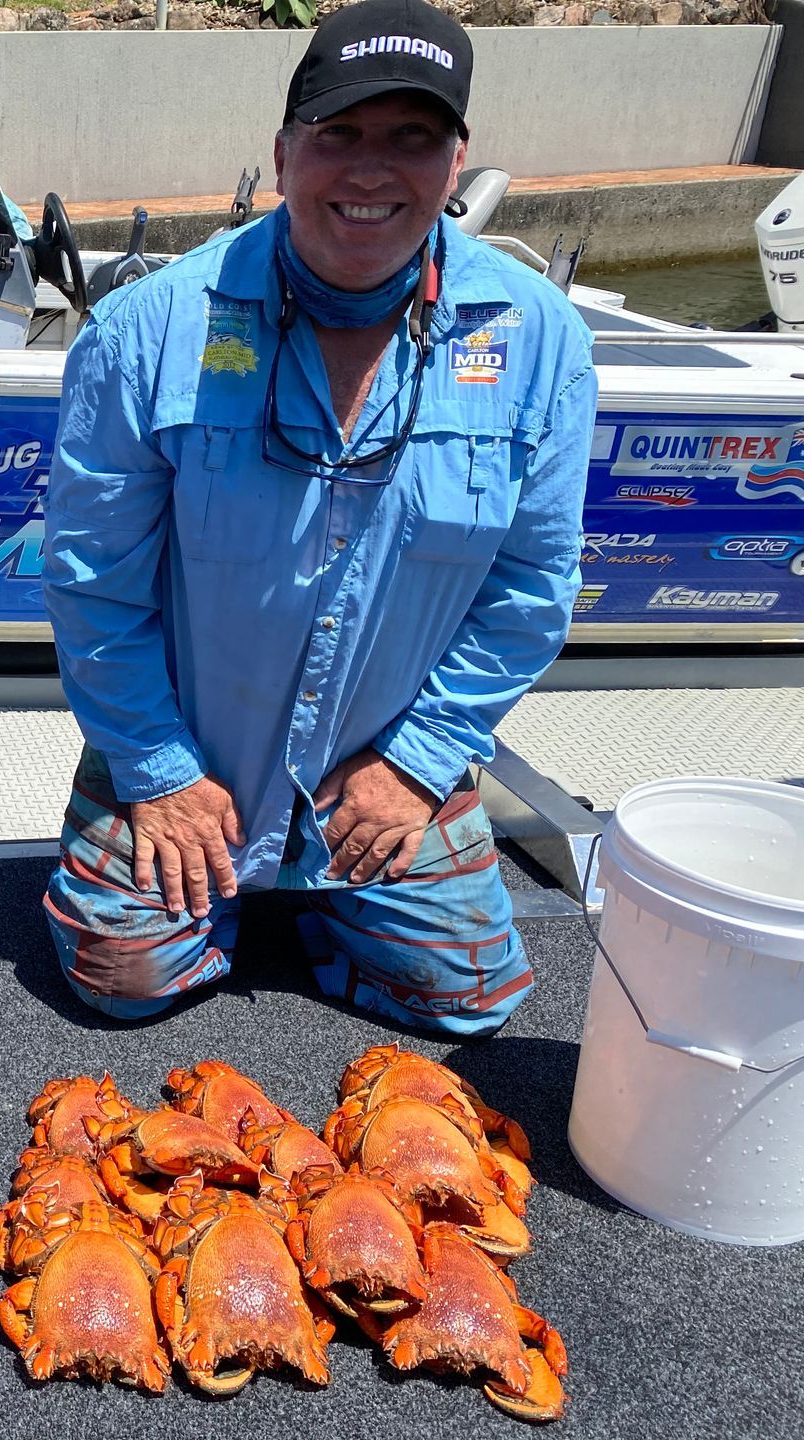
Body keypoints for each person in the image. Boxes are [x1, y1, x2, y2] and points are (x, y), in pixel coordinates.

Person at [40, 0, 593, 1035]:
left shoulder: (544, 341)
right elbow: (91, 582)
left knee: (471, 1002)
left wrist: (419, 765)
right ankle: (154, 823)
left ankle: (328, 893)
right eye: (339, 135)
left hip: (381, 761)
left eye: (411, 139)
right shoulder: (144, 331)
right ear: (286, 152)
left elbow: (530, 591)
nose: (371, 171)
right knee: (121, 981)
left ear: (458, 157)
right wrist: (157, 771)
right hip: (193, 752)